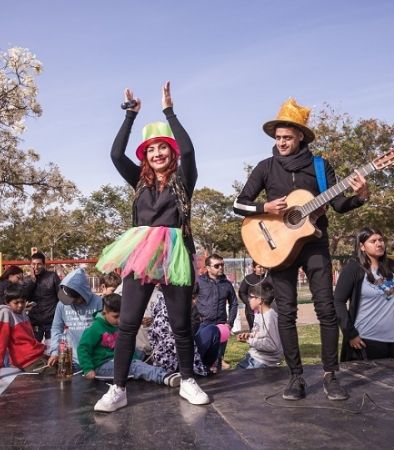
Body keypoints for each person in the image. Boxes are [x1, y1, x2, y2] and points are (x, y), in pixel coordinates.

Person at [233, 98, 369, 401]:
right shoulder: (265, 168)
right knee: (287, 313)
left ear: (300, 138)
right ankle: (296, 377)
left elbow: (338, 205)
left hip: (315, 243)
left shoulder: (320, 166)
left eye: (287, 138)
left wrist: (360, 196)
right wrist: (264, 206)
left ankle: (331, 375)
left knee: (327, 309)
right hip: (277, 246)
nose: (281, 142)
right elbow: (238, 204)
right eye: (278, 137)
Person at [94, 82, 208, 412]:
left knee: (180, 324)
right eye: (152, 149)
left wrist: (169, 111)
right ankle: (118, 388)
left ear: (170, 153)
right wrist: (130, 116)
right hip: (143, 252)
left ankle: (187, 380)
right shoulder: (140, 181)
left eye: (163, 148)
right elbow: (115, 154)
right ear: (146, 155)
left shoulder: (184, 179)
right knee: (128, 323)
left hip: (174, 253)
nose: (158, 153)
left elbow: (189, 151)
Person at [333, 228, 394, 363]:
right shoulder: (353, 269)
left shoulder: (393, 267)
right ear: (362, 246)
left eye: (381, 240)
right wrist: (350, 334)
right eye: (373, 241)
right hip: (367, 340)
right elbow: (338, 302)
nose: (379, 244)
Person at [79, 293, 181, 388]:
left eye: (122, 316)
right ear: (104, 312)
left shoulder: (117, 324)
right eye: (116, 317)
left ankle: (156, 369)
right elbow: (83, 348)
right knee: (133, 365)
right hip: (102, 365)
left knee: (140, 352)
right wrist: (88, 369)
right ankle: (163, 377)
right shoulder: (95, 328)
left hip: (117, 358)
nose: (119, 320)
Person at [0, 284, 49, 381]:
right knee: (60, 373)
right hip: (29, 361)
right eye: (16, 303)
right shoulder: (5, 313)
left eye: (22, 302)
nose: (20, 305)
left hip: (36, 355)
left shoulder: (22, 313)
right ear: (7, 302)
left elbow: (29, 339)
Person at [46, 267, 103, 370]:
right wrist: (55, 351)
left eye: (74, 300)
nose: (71, 302)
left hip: (95, 360)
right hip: (72, 359)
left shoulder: (98, 303)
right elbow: (56, 328)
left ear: (82, 294)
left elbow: (106, 331)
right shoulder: (62, 305)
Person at [194, 254, 238, 371]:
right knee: (199, 357)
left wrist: (229, 324)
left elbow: (234, 303)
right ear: (208, 268)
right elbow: (190, 300)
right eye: (217, 266)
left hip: (221, 327)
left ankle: (218, 385)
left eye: (222, 265)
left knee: (217, 360)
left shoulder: (227, 284)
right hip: (202, 326)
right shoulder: (199, 282)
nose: (221, 268)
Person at [237, 284, 283, 369]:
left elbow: (272, 345)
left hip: (262, 361)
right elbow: (262, 334)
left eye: (251, 297)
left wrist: (249, 340)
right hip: (254, 357)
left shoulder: (269, 318)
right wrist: (250, 335)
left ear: (259, 300)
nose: (248, 299)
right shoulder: (259, 314)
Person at [28, 252, 61, 342]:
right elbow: (24, 296)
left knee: (52, 350)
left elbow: (61, 296)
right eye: (33, 264)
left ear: (43, 265)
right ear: (30, 265)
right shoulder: (27, 279)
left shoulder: (52, 276)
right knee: (34, 351)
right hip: (34, 321)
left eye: (39, 264)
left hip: (51, 320)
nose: (36, 267)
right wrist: (32, 281)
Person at [238, 261, 268, 330]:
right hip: (251, 312)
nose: (262, 269)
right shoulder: (248, 279)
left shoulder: (268, 278)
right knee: (254, 331)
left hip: (265, 310)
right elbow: (242, 292)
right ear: (254, 268)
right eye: (259, 267)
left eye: (263, 266)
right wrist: (249, 302)